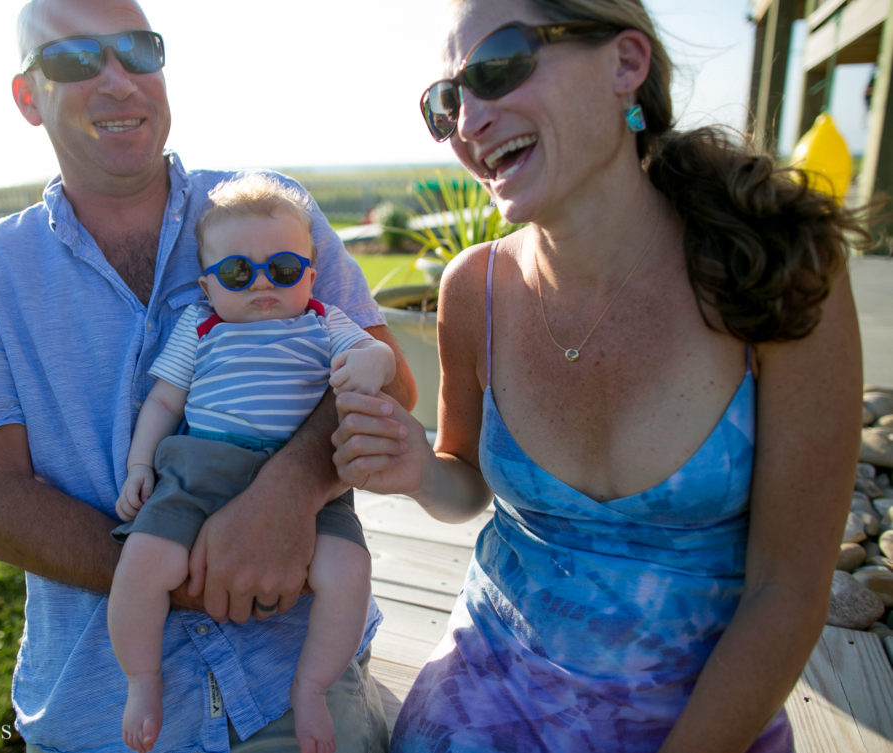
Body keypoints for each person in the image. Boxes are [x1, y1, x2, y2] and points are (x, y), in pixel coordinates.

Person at [332, 1, 869, 751]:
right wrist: (419, 467)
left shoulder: (776, 271)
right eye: (447, 100)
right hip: (485, 697)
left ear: (626, 65)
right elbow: (464, 478)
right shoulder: (473, 291)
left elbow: (787, 590)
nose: (469, 121)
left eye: (497, 67)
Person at [0, 0, 415, 750]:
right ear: (29, 96)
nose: (119, 80)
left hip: (296, 680)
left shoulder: (270, 207)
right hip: (103, 713)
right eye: (75, 59)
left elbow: (388, 380)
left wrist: (289, 494)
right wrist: (186, 568)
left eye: (138, 50)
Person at [108, 174, 396, 753]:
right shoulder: (200, 325)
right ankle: (142, 681)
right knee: (141, 564)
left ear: (311, 275)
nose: (263, 282)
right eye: (239, 272)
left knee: (349, 575)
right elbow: (165, 400)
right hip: (201, 468)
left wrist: (373, 363)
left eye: (284, 269)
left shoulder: (323, 320)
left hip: (313, 486)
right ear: (208, 285)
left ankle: (311, 688)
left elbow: (377, 354)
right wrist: (141, 466)